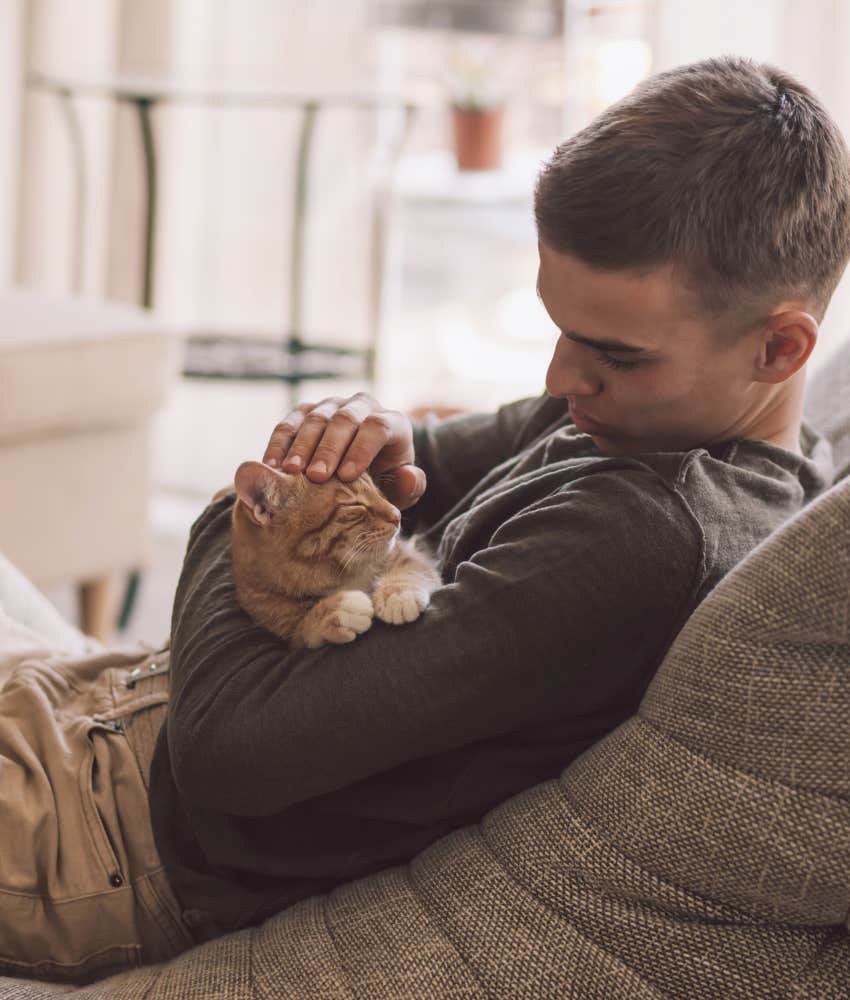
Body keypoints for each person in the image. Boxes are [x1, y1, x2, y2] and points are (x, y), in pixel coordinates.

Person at [0, 54, 844, 983]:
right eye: (558, 329)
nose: (564, 380)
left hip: (95, 842)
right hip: (103, 702)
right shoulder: (652, 418)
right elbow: (417, 473)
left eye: (612, 353)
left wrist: (222, 520)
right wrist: (375, 437)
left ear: (780, 345)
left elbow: (231, 755)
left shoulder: (638, 539)